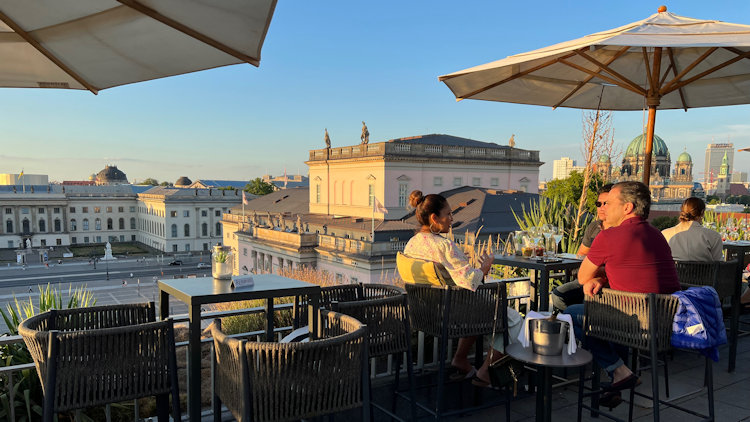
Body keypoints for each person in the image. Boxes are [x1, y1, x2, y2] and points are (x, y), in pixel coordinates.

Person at [564, 181, 681, 408]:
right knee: (605, 315)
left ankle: (618, 371)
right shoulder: (657, 235)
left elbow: (582, 278)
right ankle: (617, 380)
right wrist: (603, 279)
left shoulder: (609, 236)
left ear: (627, 208)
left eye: (608, 203)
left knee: (570, 315)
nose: (604, 208)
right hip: (666, 323)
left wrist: (595, 278)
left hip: (634, 325)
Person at [403, 190, 522, 388]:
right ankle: (485, 373)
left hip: (427, 312)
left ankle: (460, 359)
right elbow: (471, 282)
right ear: (434, 218)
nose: (452, 218)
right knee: (513, 319)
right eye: (448, 214)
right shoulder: (444, 246)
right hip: (452, 314)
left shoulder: (411, 244)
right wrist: (484, 268)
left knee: (478, 309)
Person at [551, 184, 613, 311]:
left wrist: (596, 270)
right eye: (598, 204)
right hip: (586, 277)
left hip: (607, 282)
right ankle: (573, 324)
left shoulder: (620, 231)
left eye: (606, 204)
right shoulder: (594, 226)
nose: (601, 208)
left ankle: (579, 322)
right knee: (558, 295)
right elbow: (582, 254)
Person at [662, 197, 723, 262]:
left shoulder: (665, 234)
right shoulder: (713, 236)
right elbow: (718, 263)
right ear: (702, 212)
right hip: (703, 272)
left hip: (675, 272)